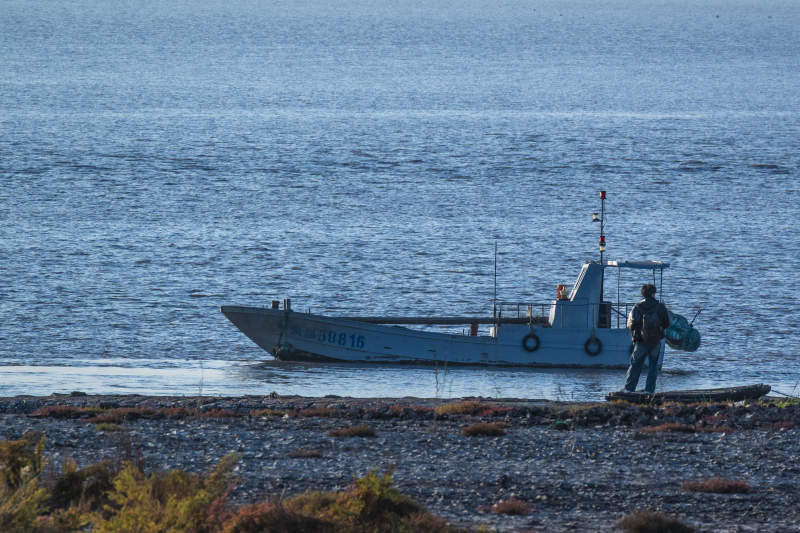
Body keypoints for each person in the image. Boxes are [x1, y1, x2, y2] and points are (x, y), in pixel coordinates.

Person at [622, 283, 670, 394]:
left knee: (635, 365)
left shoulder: (637, 307)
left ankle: (629, 389)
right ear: (653, 293)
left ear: (643, 294)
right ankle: (649, 390)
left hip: (640, 341)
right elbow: (666, 323)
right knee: (653, 367)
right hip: (655, 341)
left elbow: (631, 325)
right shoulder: (660, 307)